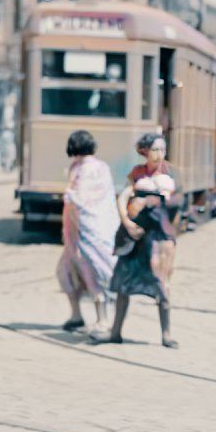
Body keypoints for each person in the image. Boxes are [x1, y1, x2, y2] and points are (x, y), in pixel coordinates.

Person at [56, 129, 120, 335]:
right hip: (86, 231)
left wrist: (71, 196)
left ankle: (101, 320)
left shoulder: (84, 169)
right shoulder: (100, 167)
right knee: (70, 272)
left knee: (88, 275)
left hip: (86, 232)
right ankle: (77, 316)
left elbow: (82, 198)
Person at [105, 173, 179, 349]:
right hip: (134, 249)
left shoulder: (165, 197)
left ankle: (166, 334)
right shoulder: (137, 181)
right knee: (123, 289)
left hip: (153, 249)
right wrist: (130, 217)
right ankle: (116, 332)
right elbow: (126, 206)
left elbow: (173, 212)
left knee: (161, 289)